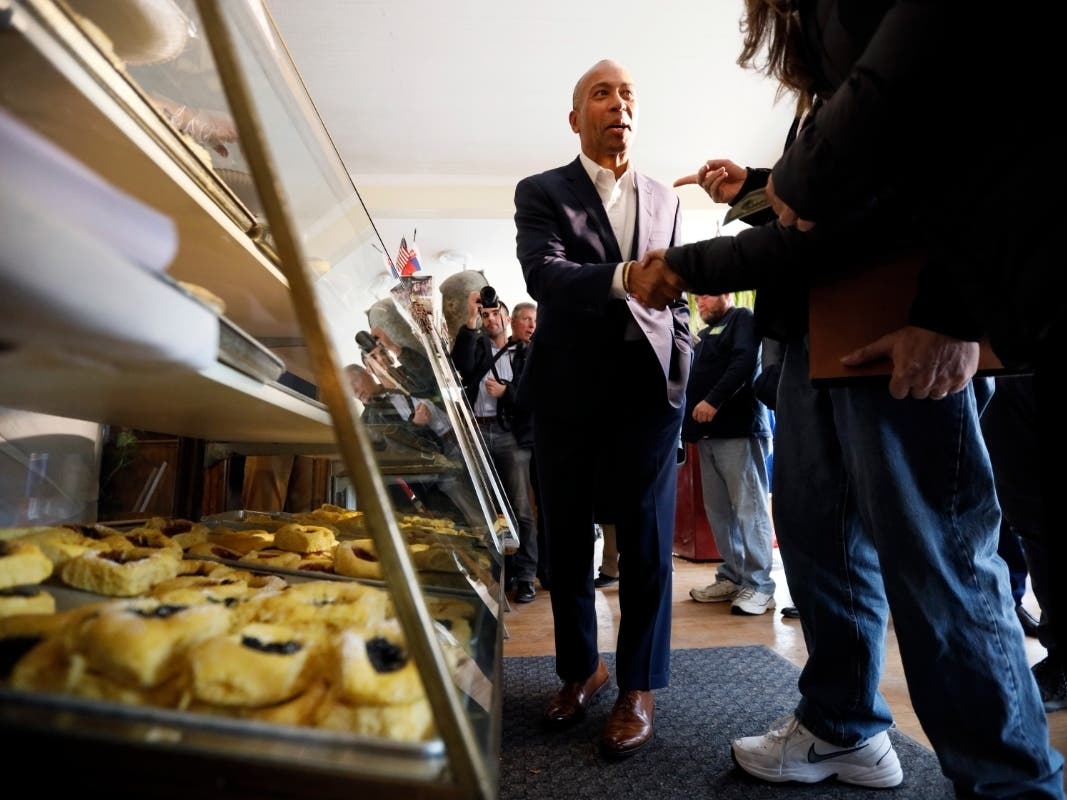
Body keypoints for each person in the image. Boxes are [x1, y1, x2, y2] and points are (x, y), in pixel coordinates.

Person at [624, 5, 1062, 796]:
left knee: (941, 570)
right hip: (820, 340)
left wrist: (689, 261)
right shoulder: (831, 74)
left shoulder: (902, 53)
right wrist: (765, 187)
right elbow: (824, 204)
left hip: (892, 332)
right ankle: (840, 726)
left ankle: (1013, 783)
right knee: (823, 550)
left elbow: (869, 204)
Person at [513, 58, 691, 759]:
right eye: (601, 93)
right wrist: (623, 278)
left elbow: (674, 299)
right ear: (575, 117)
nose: (617, 104)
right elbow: (543, 275)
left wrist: (682, 366)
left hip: (649, 400)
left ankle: (637, 687)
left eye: (627, 95)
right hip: (563, 396)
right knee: (564, 543)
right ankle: (579, 670)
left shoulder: (665, 196)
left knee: (647, 547)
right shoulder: (540, 191)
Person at [683, 293, 776, 616]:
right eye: (697, 298)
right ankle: (734, 576)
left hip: (739, 430)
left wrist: (714, 400)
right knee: (720, 512)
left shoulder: (742, 319)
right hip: (707, 436)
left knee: (749, 509)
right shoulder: (707, 334)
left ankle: (760, 585)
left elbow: (744, 362)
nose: (700, 303)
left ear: (725, 294)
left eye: (706, 296)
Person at [450, 290, 538, 603]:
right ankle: (501, 571)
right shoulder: (475, 346)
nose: (490, 319)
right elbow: (458, 365)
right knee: (488, 507)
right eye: (484, 315)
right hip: (478, 432)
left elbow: (534, 393)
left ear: (506, 317)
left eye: (494, 313)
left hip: (511, 436)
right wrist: (469, 320)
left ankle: (526, 575)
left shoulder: (525, 351)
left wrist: (506, 392)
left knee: (521, 508)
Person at [344, 362, 483, 529]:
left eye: (354, 383)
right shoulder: (367, 420)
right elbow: (396, 451)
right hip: (429, 481)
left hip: (463, 452)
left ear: (368, 372)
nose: (354, 391)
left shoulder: (400, 389)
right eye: (348, 389)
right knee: (469, 522)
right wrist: (415, 424)